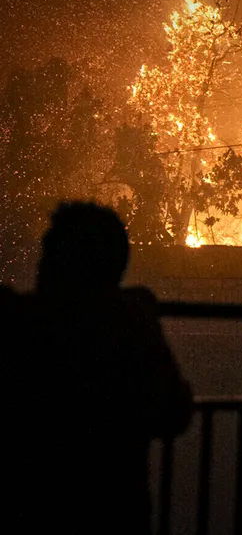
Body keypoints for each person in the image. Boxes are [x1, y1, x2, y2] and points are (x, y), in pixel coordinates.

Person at [0, 201, 193, 535]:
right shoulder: (131, 327)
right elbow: (174, 412)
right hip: (117, 510)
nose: (39, 265)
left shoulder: (24, 323)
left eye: (49, 253)